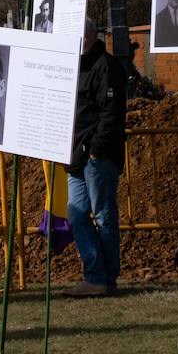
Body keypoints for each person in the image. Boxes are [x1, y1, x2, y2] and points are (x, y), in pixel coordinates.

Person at [64, 19, 127, 297]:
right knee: (76, 214)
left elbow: (111, 111)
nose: (79, 39)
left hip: (97, 157)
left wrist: (96, 150)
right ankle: (96, 275)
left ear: (92, 34)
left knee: (103, 216)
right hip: (75, 156)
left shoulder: (106, 65)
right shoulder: (72, 66)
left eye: (82, 33)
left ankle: (106, 278)